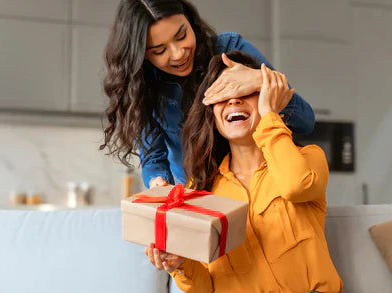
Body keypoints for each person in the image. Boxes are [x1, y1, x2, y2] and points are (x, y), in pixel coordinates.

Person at [145, 51, 343, 293]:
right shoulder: (201, 188)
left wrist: (270, 113)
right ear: (212, 113)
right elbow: (205, 288)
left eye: (245, 91)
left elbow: (296, 185)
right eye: (223, 94)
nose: (233, 100)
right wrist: (180, 263)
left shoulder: (308, 158)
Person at [100, 0, 315, 189]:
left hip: (259, 192)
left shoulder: (230, 49)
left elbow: (305, 121)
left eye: (182, 35)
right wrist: (159, 183)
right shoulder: (143, 85)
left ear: (190, 20)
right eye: (159, 50)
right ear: (142, 56)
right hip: (200, 200)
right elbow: (153, 160)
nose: (178, 54)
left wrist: (260, 79)